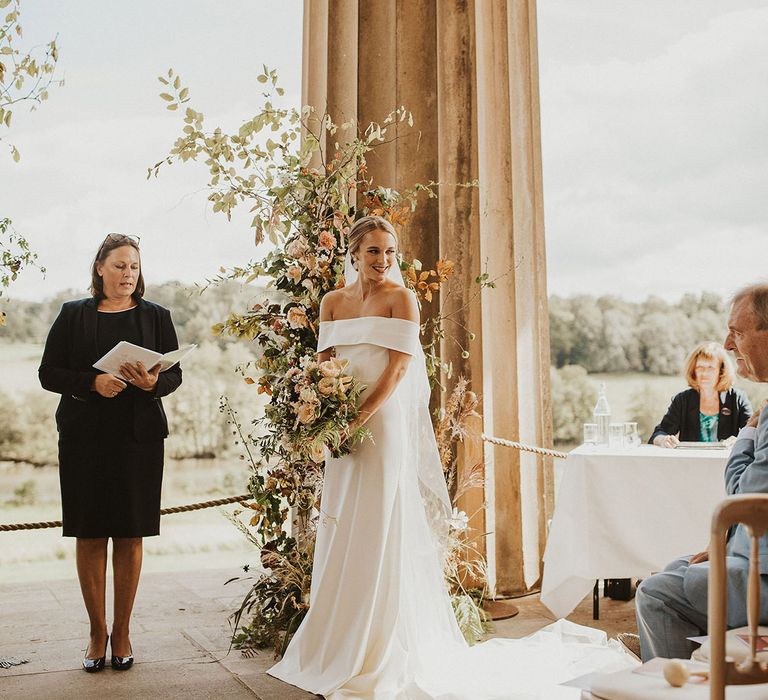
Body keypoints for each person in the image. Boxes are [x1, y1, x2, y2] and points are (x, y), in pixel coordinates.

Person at [267, 216, 635, 699]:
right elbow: (325, 366)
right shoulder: (332, 302)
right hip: (340, 427)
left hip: (381, 424)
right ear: (353, 253)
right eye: (373, 251)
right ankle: (333, 640)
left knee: (379, 523)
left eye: (390, 252)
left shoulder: (402, 299)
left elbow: (398, 370)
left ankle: (376, 646)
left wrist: (357, 417)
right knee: (340, 522)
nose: (382, 261)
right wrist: (320, 413)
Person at [38, 233, 182, 672]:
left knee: (130, 533)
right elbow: (48, 373)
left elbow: (174, 377)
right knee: (90, 533)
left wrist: (151, 383)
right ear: (100, 267)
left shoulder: (157, 316)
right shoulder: (72, 315)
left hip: (138, 440)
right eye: (119, 266)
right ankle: (96, 631)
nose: (128, 274)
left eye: (134, 267)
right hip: (84, 438)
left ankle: (122, 631)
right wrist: (91, 383)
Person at [635, 283, 768, 661]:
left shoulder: (757, 409)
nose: (728, 344)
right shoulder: (684, 400)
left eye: (738, 332)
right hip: (752, 556)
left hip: (762, 578)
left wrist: (749, 433)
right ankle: (687, 655)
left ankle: (674, 678)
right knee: (676, 567)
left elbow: (745, 495)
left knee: (655, 594)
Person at [649, 341, 752, 448]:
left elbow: (754, 432)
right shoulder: (682, 400)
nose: (704, 373)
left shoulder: (737, 398)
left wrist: (740, 441)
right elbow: (659, 433)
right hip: (690, 462)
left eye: (710, 368)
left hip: (727, 462)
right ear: (693, 370)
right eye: (700, 367)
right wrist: (663, 440)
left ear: (721, 371)